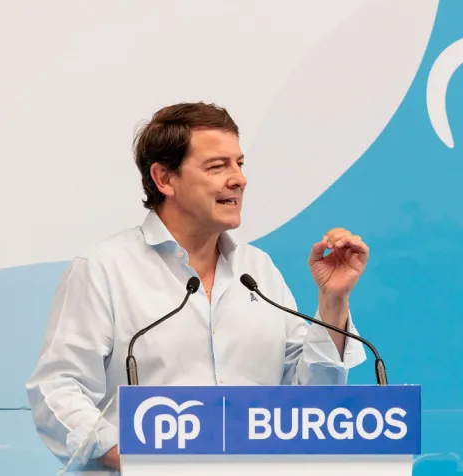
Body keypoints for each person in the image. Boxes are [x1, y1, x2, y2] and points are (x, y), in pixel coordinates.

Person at [25, 102, 370, 471]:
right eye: (217, 166)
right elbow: (57, 390)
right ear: (164, 179)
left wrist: (333, 300)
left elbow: (310, 404)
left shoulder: (258, 270)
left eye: (239, 164)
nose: (238, 179)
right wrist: (136, 458)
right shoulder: (106, 268)